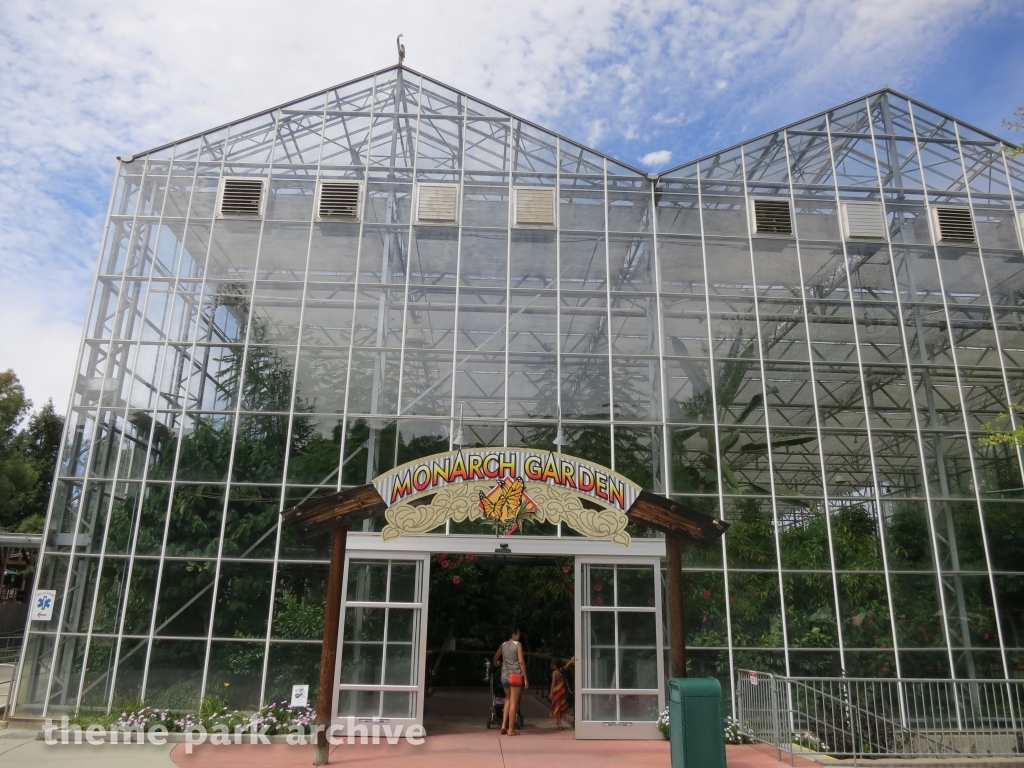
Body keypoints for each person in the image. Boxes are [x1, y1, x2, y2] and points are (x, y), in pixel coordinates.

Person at [493, 627, 529, 735]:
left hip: (504, 675)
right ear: (513, 635)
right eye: (518, 634)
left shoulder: (503, 645)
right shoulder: (518, 645)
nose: (519, 636)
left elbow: (495, 658)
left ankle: (504, 725)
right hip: (515, 675)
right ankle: (511, 729)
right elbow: (521, 661)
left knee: (508, 699)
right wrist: (526, 678)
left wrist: (498, 663)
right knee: (514, 701)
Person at [549, 656, 574, 730]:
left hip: (556, 691)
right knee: (559, 706)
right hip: (562, 691)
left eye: (552, 664)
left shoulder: (554, 673)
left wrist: (551, 692)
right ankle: (558, 722)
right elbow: (567, 665)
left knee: (556, 707)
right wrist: (571, 660)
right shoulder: (561, 670)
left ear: (555, 665)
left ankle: (559, 722)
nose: (551, 666)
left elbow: (553, 683)